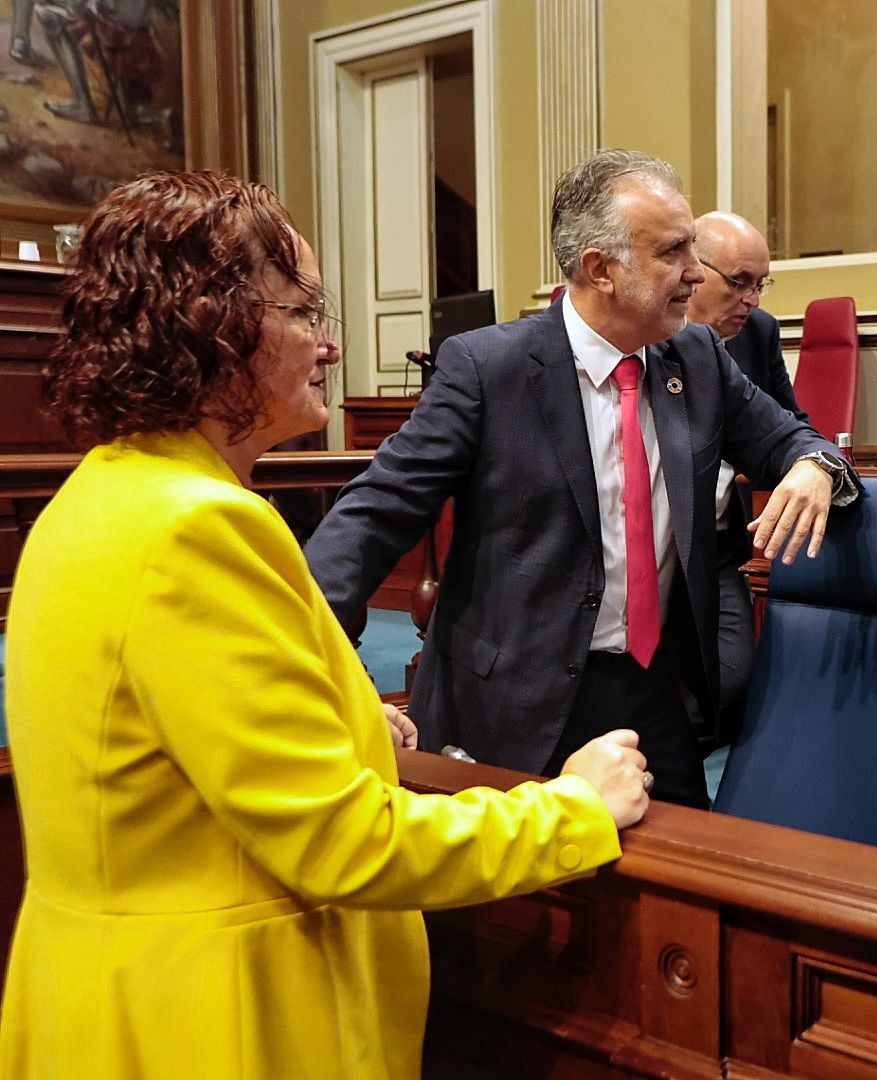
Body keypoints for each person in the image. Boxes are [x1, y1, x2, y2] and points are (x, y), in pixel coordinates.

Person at [0, 171, 650, 1078]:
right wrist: (570, 812)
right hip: (217, 1022)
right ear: (215, 326)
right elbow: (345, 844)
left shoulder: (99, 494)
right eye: (303, 312)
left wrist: (340, 718)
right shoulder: (198, 526)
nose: (331, 345)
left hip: (115, 994)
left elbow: (162, 743)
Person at [304, 150, 856, 809]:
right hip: (510, 701)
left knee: (684, 888)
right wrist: (319, 657)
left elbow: (792, 438)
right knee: (517, 899)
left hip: (655, 691)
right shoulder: (489, 369)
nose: (694, 273)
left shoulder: (698, 357)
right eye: (674, 251)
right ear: (600, 269)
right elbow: (376, 512)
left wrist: (813, 466)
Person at [687, 210, 807, 729]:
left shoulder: (757, 332)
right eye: (739, 283)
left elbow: (790, 426)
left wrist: (812, 466)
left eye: (761, 285)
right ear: (693, 266)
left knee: (731, 683)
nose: (753, 300)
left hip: (718, 542)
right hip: (648, 543)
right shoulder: (644, 333)